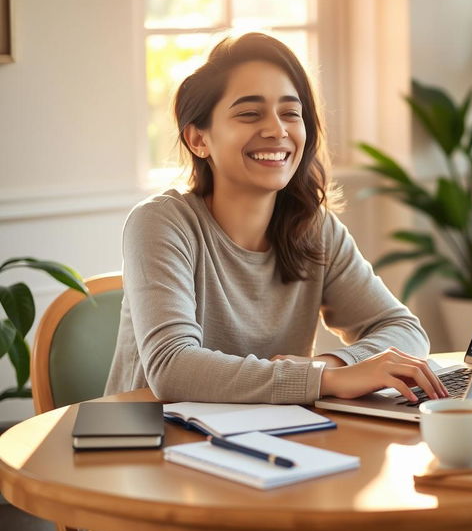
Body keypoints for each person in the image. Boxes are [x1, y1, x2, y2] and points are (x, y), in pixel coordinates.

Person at [105, 32, 447, 405]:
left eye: (290, 113)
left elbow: (404, 330)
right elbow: (173, 368)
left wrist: (332, 365)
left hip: (270, 441)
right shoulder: (160, 223)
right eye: (250, 113)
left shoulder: (316, 228)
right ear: (198, 139)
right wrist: (325, 380)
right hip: (152, 445)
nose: (277, 130)